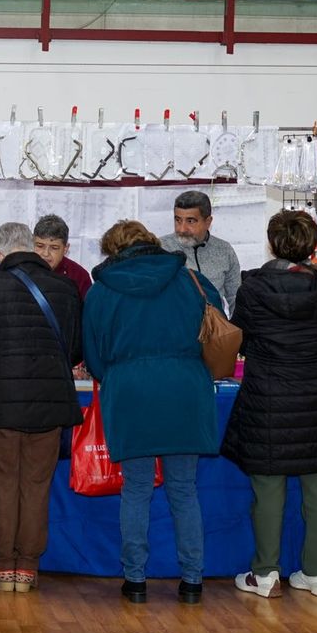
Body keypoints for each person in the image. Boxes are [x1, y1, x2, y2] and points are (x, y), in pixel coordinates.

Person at [82, 219, 220, 605]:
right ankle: (193, 581)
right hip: (185, 390)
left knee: (137, 489)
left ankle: (135, 581)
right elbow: (218, 319)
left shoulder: (102, 290)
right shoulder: (189, 279)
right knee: (183, 490)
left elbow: (93, 355)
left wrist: (116, 374)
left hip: (131, 392)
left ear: (114, 251)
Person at [222, 210, 317, 599]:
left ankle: (265, 575)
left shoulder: (253, 288)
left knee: (269, 487)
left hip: (270, 394)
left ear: (272, 243)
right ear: (312, 246)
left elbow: (241, 339)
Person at [0, 221, 83, 593]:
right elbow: (76, 351)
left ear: (0, 254)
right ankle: (27, 569)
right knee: (36, 485)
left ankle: (2, 568)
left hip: (0, 406)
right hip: (49, 406)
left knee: (1, 484)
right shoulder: (64, 288)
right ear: (31, 248)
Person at [159, 190, 241, 314]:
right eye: (178, 220)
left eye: (190, 221)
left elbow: (235, 298)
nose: (182, 229)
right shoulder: (162, 248)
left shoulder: (224, 250)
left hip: (214, 329)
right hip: (175, 328)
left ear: (208, 222)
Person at [32, 214, 91, 299]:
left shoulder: (79, 276)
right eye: (40, 246)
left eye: (54, 248)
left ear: (66, 249)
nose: (45, 253)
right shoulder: (22, 271)